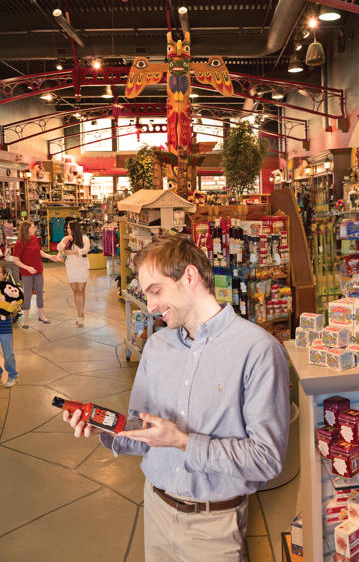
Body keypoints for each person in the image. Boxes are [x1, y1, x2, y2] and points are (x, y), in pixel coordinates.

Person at [64, 235, 289, 562]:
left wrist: (183, 442)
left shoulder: (258, 351)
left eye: (156, 291)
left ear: (189, 276)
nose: (150, 306)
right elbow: (145, 432)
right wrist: (109, 427)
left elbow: (266, 459)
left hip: (214, 527)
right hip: (156, 510)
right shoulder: (157, 347)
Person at [9, 221, 60, 328]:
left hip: (38, 271)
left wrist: (50, 256)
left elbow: (39, 251)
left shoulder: (35, 239)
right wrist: (28, 268)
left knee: (40, 293)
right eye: (33, 227)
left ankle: (41, 315)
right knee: (27, 295)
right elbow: (16, 260)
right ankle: (26, 320)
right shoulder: (19, 243)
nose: (35, 229)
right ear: (27, 229)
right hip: (26, 273)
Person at [57, 218, 90, 327]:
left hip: (82, 268)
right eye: (67, 228)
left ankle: (80, 316)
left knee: (81, 291)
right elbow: (59, 248)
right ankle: (79, 313)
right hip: (71, 268)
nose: (67, 230)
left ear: (74, 229)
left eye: (69, 228)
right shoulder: (66, 239)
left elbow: (86, 250)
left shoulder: (84, 238)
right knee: (75, 291)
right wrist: (66, 239)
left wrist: (73, 252)